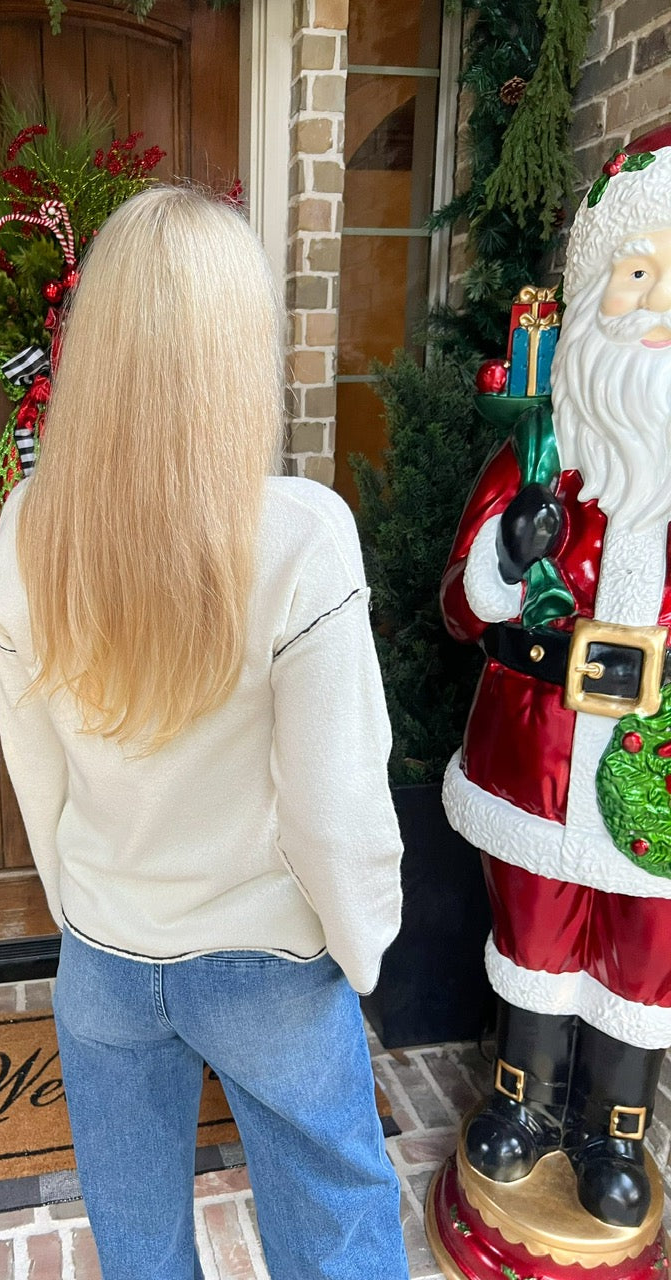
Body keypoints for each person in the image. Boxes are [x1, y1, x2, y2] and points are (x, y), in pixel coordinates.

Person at [0, 185, 407, 1280]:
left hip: (105, 958)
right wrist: (362, 950)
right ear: (239, 351)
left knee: (140, 1252)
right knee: (337, 1237)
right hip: (266, 962)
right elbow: (335, 807)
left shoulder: (28, 530)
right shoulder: (302, 537)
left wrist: (85, 908)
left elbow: (35, 769)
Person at [440, 125, 671, 1229]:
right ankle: (523, 1104)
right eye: (638, 274)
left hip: (657, 765)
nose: (658, 307)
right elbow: (458, 604)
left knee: (646, 950)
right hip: (536, 757)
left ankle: (615, 1130)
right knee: (535, 929)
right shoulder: (539, 455)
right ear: (592, 294)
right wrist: (507, 552)